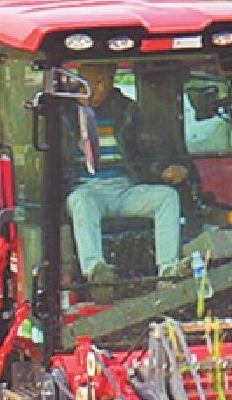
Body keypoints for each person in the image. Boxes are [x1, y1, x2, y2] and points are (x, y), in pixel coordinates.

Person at [53, 66, 185, 283]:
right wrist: (77, 112)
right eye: (94, 83)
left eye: (106, 82)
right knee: (80, 201)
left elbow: (146, 149)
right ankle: (96, 271)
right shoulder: (63, 113)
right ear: (79, 81)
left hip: (124, 187)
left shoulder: (125, 109)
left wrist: (164, 170)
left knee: (166, 196)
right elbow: (54, 157)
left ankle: (168, 269)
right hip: (86, 187)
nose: (100, 89)